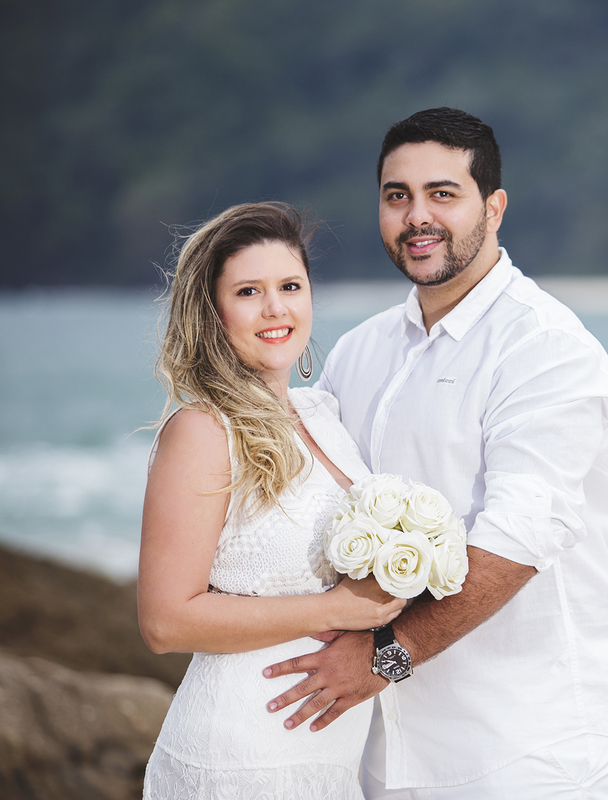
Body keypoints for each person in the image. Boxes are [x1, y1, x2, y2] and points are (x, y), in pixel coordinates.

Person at [264, 108, 608, 797]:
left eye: (443, 194)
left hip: (525, 749)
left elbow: (520, 538)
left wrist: (384, 661)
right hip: (378, 753)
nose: (416, 217)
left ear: (493, 208)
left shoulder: (545, 348)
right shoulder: (359, 351)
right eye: (396, 195)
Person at [138, 201, 407, 799]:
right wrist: (332, 610)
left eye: (290, 286)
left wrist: (390, 653)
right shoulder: (204, 429)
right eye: (249, 291)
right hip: (240, 756)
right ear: (211, 312)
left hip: (328, 759)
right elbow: (164, 620)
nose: (276, 309)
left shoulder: (323, 414)